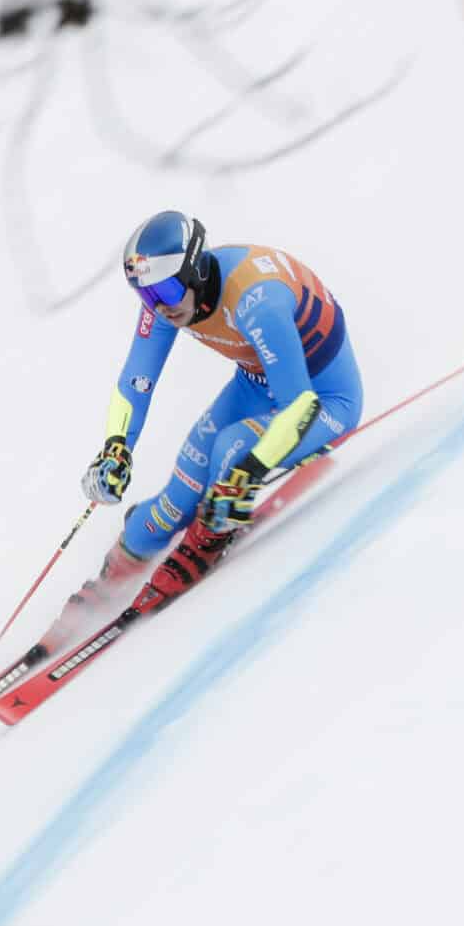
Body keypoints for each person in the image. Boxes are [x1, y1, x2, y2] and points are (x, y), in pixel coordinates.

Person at [40, 209, 364, 649]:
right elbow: (136, 380)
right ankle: (115, 572)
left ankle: (207, 540)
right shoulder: (168, 301)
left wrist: (247, 472)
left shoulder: (258, 302)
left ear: (193, 271)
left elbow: (299, 405)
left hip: (324, 399)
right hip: (255, 384)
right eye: (147, 295)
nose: (161, 306)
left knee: (231, 450)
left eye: (168, 290)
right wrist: (116, 448)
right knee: (172, 500)